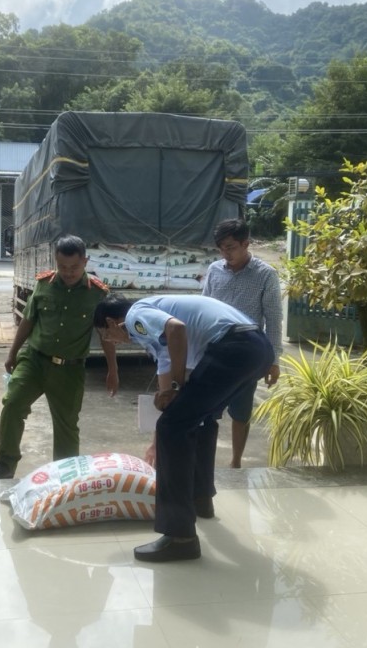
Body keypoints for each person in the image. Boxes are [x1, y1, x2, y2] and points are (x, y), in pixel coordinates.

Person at [94, 293, 273, 562]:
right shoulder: (152, 334)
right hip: (257, 348)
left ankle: (180, 537)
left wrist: (176, 388)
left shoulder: (134, 316)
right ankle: (200, 499)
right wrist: (169, 398)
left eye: (106, 336)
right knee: (199, 418)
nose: (112, 342)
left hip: (234, 346)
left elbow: (176, 328)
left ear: (111, 322)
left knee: (173, 428)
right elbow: (167, 373)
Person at [0, 235, 119, 480]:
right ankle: (5, 464)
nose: (68, 273)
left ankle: (64, 477)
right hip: (34, 359)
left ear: (85, 261)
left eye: (74, 267)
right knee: (13, 404)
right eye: (63, 267)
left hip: (70, 369)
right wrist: (13, 352)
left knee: (66, 425)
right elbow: (28, 319)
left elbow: (106, 334)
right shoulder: (44, 284)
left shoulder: (97, 293)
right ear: (56, 261)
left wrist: (113, 370)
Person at [201, 218, 283, 467]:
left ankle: (236, 461)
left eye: (231, 247)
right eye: (221, 248)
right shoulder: (215, 270)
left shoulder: (266, 275)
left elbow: (274, 319)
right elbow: (203, 309)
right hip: (215, 351)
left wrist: (274, 360)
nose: (226, 254)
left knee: (241, 411)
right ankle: (206, 461)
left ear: (246, 243)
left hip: (248, 355)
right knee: (207, 410)